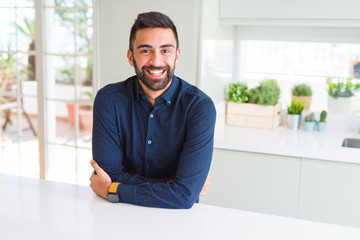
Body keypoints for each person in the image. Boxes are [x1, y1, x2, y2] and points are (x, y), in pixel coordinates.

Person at [89, 11, 216, 209]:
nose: (156, 61)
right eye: (146, 51)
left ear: (177, 56)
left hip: (177, 220)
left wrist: (113, 189)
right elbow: (109, 174)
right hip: (117, 214)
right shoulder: (109, 99)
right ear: (131, 56)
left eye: (165, 50)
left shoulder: (199, 107)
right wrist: (176, 187)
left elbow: (184, 195)